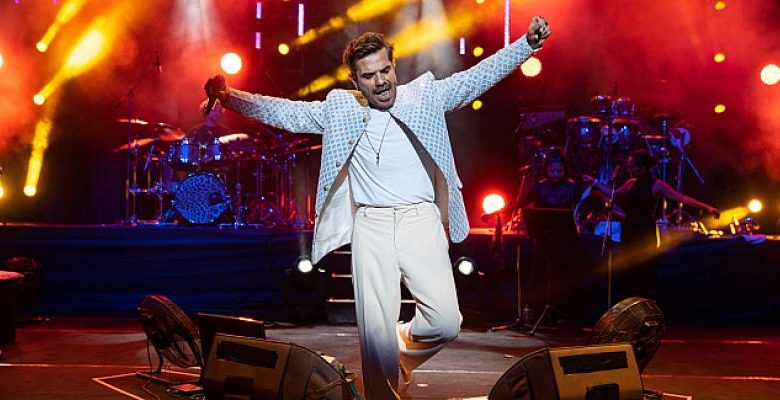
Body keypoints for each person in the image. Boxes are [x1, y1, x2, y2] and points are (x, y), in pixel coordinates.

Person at [204, 16, 551, 399]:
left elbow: (476, 77)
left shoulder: (425, 95)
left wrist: (526, 45)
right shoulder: (341, 109)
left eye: (385, 70)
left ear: (393, 66)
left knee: (445, 322)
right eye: (369, 76)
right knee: (374, 335)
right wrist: (230, 97)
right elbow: (285, 112)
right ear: (355, 81)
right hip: (372, 224)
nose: (381, 81)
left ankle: (398, 348)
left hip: (420, 219)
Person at [583, 149, 718, 300]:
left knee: (644, 270)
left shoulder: (657, 185)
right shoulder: (630, 183)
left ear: (643, 168)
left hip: (645, 230)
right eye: (629, 166)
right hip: (629, 229)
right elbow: (612, 195)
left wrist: (707, 207)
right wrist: (594, 182)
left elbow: (681, 198)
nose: (629, 169)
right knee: (629, 267)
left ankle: (645, 303)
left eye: (633, 166)